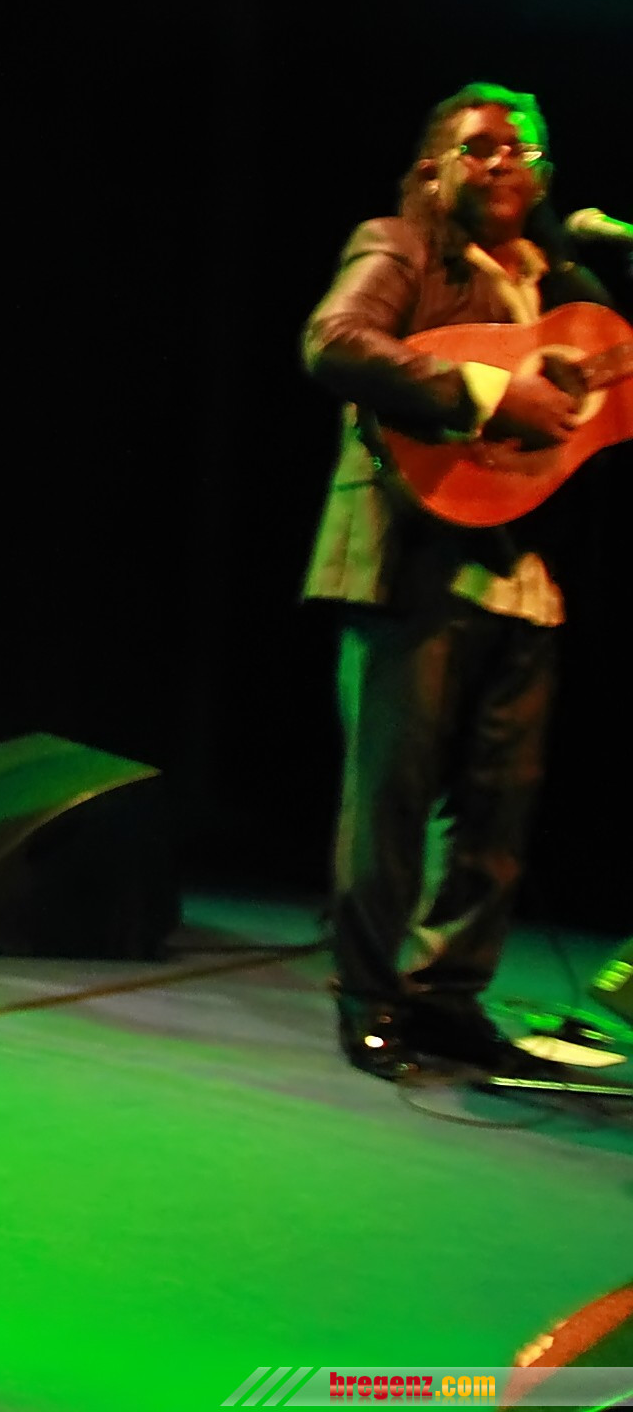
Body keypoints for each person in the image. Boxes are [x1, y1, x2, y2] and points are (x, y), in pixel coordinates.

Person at [300, 84, 598, 1081]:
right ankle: (367, 995)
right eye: (480, 147)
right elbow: (335, 341)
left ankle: (448, 996)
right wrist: (490, 391)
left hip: (523, 569)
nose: (505, 160)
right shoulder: (400, 246)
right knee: (390, 795)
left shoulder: (566, 283)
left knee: (498, 806)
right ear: (435, 169)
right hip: (409, 554)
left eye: (524, 149)